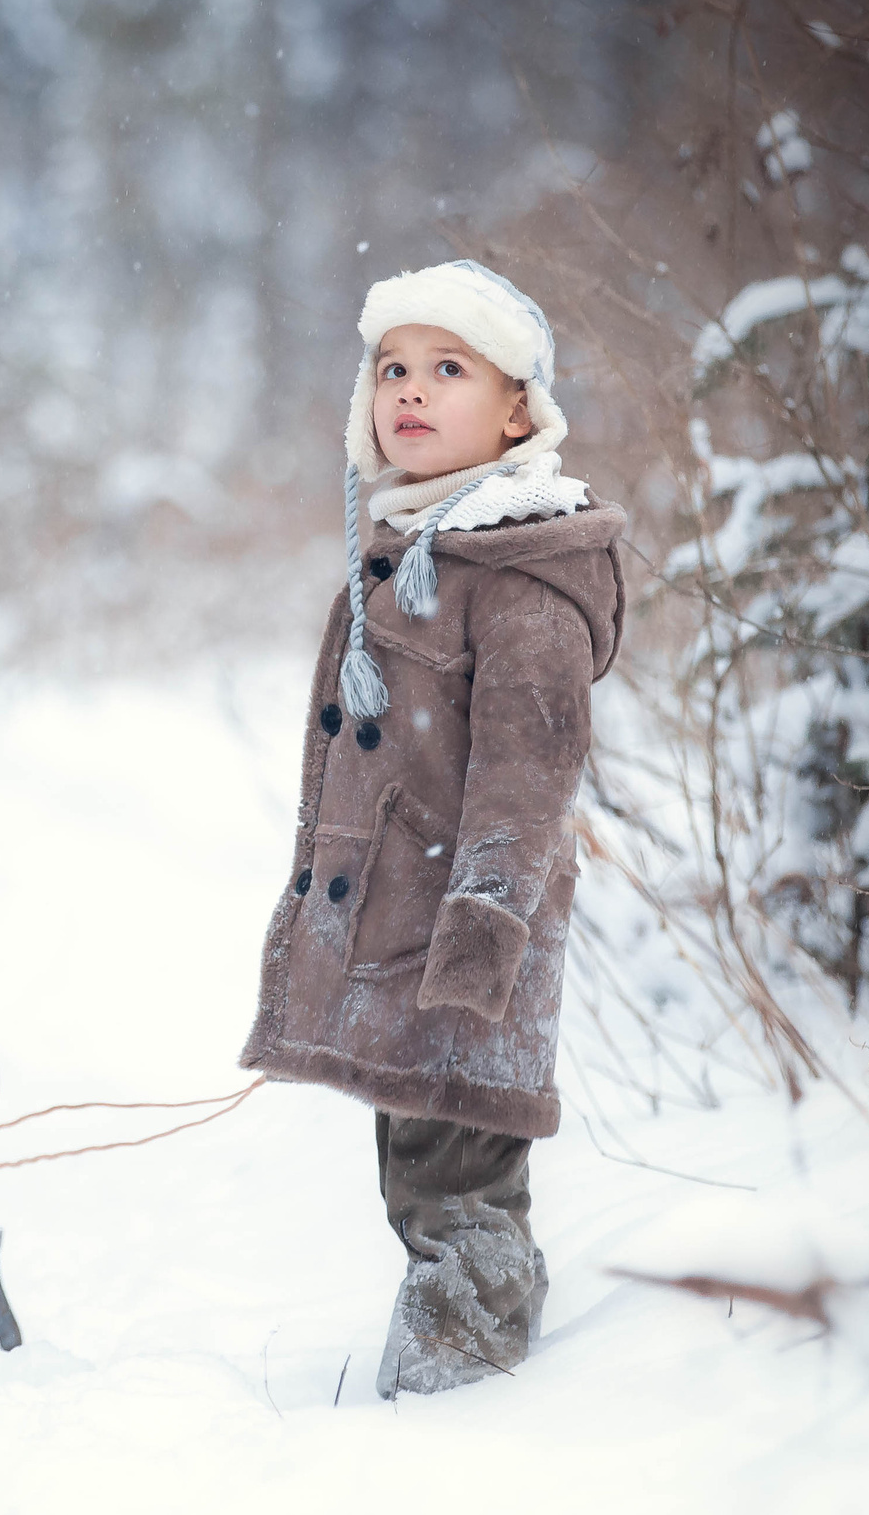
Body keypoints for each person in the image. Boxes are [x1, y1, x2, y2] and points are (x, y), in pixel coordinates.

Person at [238, 260, 626, 1396]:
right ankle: (456, 1327)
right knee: (417, 1157)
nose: (409, 390)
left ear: (518, 409)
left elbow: (528, 771)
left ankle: (466, 1369)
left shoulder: (518, 575)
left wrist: (482, 924)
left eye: (448, 368)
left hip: (468, 932)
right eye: (391, 368)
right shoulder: (415, 550)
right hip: (409, 921)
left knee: (460, 1165)